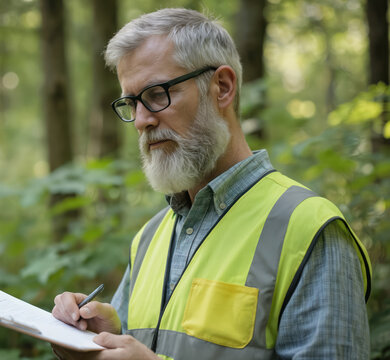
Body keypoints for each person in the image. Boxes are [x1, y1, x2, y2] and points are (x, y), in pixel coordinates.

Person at [51, 8, 372, 360]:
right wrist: (106, 337)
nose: (142, 120)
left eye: (157, 94)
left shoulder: (309, 228)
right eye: (131, 102)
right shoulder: (148, 237)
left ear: (222, 87)